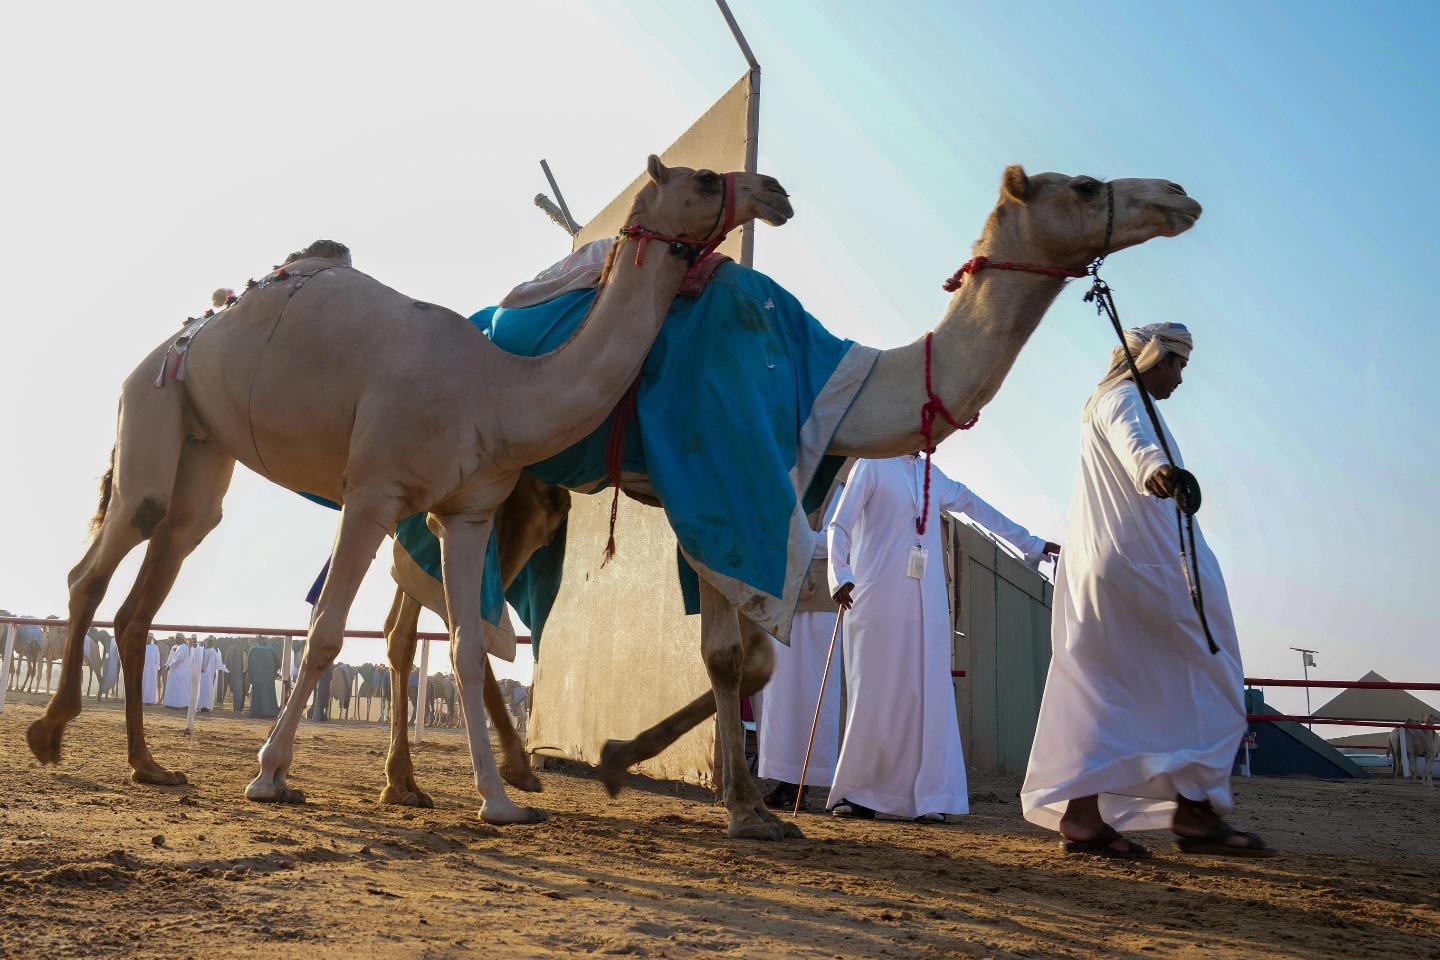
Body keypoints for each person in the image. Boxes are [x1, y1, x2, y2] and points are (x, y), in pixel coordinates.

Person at [1020, 322, 1274, 859]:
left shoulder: (1118, 401)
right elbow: (1134, 443)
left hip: (1110, 569)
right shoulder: (1122, 397)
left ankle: (1085, 818)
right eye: (1174, 363)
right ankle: (1197, 814)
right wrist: (1158, 471)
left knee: (1107, 692)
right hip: (1143, 570)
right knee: (1212, 677)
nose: (1180, 376)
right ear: (1150, 358)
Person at [827, 455, 1058, 822]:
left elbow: (974, 505)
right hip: (875, 599)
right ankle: (860, 794)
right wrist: (839, 573)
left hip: (926, 603)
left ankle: (929, 797)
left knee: (927, 697)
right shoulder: (872, 464)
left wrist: (1031, 543)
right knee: (875, 694)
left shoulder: (930, 474)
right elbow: (840, 524)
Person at [754, 495, 845, 813]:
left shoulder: (837, 489)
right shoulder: (788, 483)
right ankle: (786, 782)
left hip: (820, 603)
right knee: (779, 696)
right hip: (782, 600)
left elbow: (835, 540)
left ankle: (802, 785)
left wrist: (791, 539)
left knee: (813, 693)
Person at [161, 636, 198, 710]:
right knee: (172, 687)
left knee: (179, 688)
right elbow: (170, 657)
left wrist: (170, 666)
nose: (176, 639)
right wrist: (167, 664)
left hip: (181, 671)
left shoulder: (184, 647)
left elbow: (179, 659)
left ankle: (180, 705)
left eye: (177, 638)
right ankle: (170, 704)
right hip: (173, 671)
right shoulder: (174, 647)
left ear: (182, 639)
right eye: (175, 638)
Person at [142, 635, 160, 705]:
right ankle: (141, 699)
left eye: (150, 637)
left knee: (150, 684)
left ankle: (149, 701)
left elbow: (157, 658)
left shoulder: (155, 647)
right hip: (142, 668)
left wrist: (156, 668)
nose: (149, 638)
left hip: (152, 669)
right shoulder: (141, 645)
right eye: (148, 637)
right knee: (142, 683)